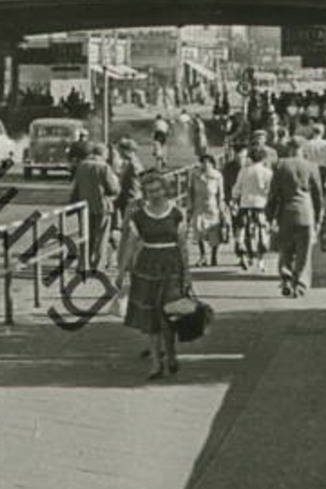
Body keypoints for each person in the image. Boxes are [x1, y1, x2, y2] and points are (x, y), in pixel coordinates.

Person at [119, 171, 191, 381]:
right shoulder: (138, 216)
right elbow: (131, 245)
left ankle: (171, 354)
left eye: (158, 190)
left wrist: (187, 273)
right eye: (150, 191)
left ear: (165, 190)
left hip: (171, 267)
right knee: (151, 318)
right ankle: (155, 363)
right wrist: (121, 270)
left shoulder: (176, 213)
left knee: (169, 315)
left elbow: (183, 245)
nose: (155, 195)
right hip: (146, 268)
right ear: (145, 194)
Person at [266, 137, 324, 297]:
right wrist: (319, 217)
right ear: (303, 149)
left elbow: (273, 194)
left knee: (286, 248)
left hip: (285, 213)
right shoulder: (312, 166)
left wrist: (269, 216)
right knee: (304, 251)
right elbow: (318, 195)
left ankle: (285, 274)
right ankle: (299, 283)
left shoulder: (280, 165)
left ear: (289, 148)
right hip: (306, 213)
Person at [67, 143, 119, 274]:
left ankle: (84, 263)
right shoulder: (104, 167)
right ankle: (97, 266)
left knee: (86, 235)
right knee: (101, 236)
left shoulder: (82, 165)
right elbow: (112, 189)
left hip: (84, 207)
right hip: (102, 207)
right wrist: (118, 188)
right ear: (103, 154)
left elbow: (76, 187)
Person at [231, 145, 273, 272]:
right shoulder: (267, 172)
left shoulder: (244, 171)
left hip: (245, 204)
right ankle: (261, 261)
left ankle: (243, 256)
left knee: (242, 231)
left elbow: (237, 188)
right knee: (262, 232)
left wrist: (234, 198)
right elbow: (269, 190)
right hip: (260, 205)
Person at [187, 153, 228, 266]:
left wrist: (222, 208)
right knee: (199, 230)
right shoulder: (195, 175)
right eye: (203, 162)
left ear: (212, 164)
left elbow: (220, 194)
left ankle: (214, 256)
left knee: (214, 233)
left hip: (213, 206)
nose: (205, 165)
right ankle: (203, 256)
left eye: (208, 162)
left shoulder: (217, 176)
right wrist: (190, 207)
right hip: (199, 205)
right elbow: (190, 192)